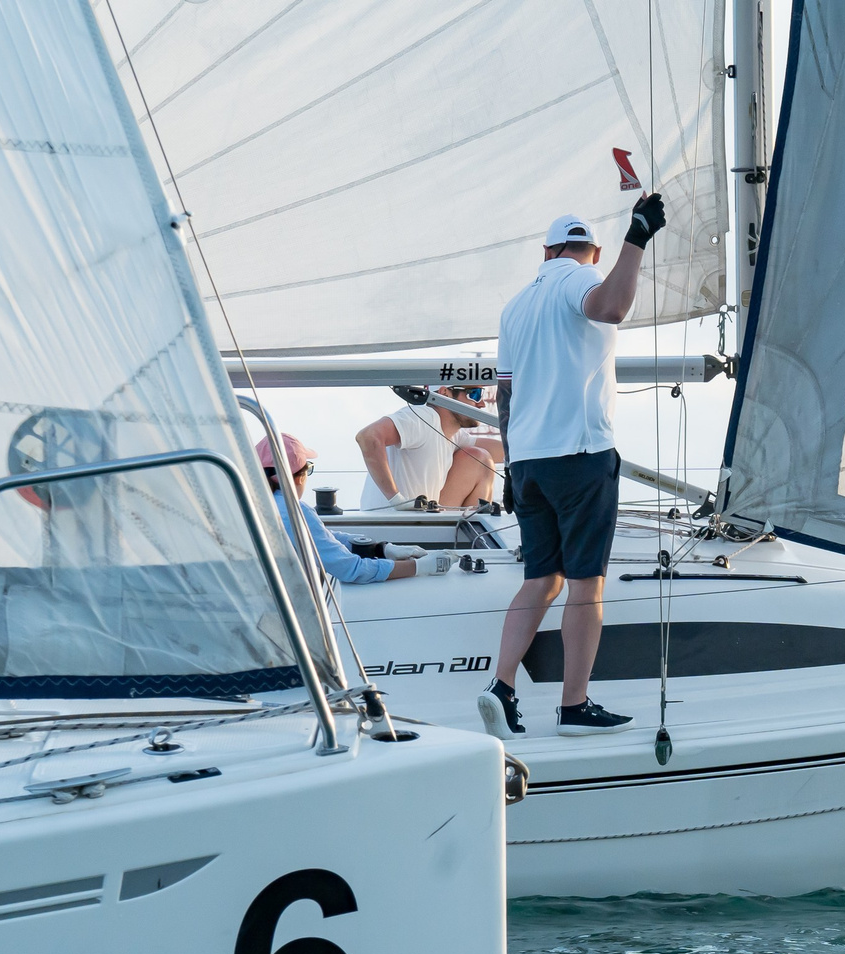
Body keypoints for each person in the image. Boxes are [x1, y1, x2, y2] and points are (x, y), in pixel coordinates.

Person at [477, 193, 666, 738]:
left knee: (541, 579)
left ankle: (502, 686)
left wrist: (511, 467)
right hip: (579, 456)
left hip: (527, 463)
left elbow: (505, 396)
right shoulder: (579, 279)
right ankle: (574, 706)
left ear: (546, 250)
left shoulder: (515, 306)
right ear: (594, 252)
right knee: (586, 585)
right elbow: (610, 308)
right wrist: (638, 238)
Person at [256, 434, 421, 583]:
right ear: (299, 477)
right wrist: (419, 566)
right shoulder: (295, 512)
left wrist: (380, 548)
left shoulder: (254, 506)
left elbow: (322, 537)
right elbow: (351, 569)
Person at [355, 385, 502, 511]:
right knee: (480, 458)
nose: (482, 404)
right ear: (445, 392)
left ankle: (469, 530)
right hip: (391, 524)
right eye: (475, 394)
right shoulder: (423, 417)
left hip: (419, 523)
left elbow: (505, 451)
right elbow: (368, 436)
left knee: (480, 460)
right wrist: (397, 500)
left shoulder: (454, 436)